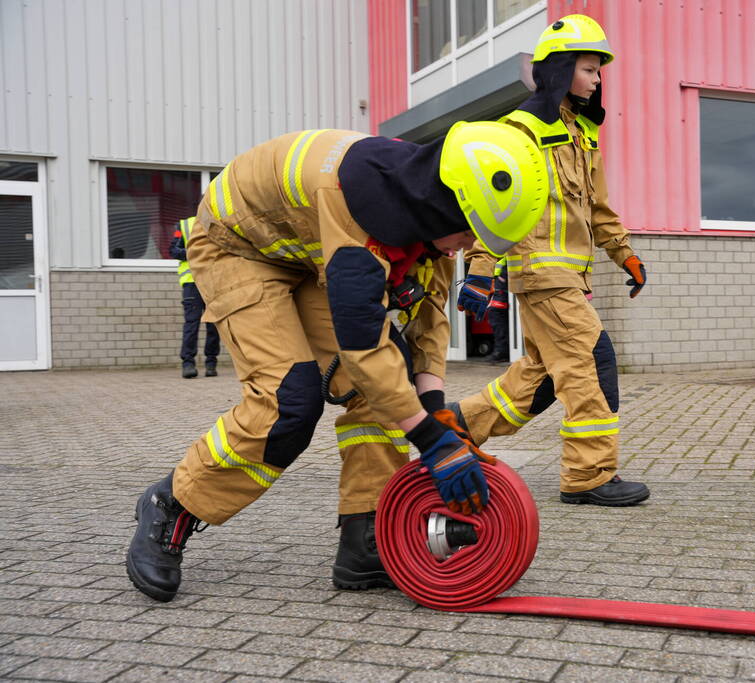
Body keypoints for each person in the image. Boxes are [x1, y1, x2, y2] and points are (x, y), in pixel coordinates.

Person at [126, 121, 549, 602]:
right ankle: (173, 502)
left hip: (303, 251)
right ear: (447, 207)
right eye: (468, 234)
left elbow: (429, 316)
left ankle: (366, 540)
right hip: (234, 247)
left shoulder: (427, 201)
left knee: (388, 388)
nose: (466, 246)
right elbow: (363, 344)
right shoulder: (364, 208)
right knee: (289, 404)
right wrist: (430, 441)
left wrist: (435, 412)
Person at [452, 14, 650, 507]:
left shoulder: (582, 136)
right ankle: (588, 476)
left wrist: (624, 253)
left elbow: (597, 208)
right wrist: (479, 272)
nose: (597, 79)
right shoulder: (518, 132)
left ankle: (456, 426)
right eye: (589, 68)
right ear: (561, 69)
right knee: (590, 360)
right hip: (541, 272)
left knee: (542, 375)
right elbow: (493, 207)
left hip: (568, 276)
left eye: (600, 71)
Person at [169, 216, 220, 378]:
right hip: (192, 282)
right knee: (192, 324)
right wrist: (196, 253)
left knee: (213, 324)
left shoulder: (222, 224)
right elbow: (173, 251)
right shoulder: (184, 225)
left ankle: (211, 364)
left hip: (214, 281)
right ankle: (188, 364)